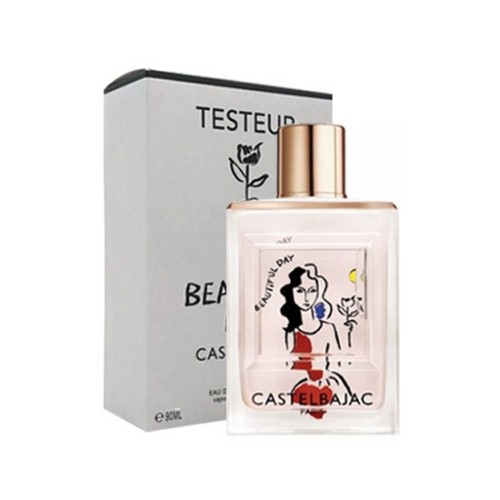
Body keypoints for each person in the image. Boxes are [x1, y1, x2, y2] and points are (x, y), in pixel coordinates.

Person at [280, 263, 351, 418]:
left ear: (319, 292)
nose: (306, 298)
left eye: (312, 290)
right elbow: (287, 366)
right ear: (291, 292)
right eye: (300, 291)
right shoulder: (291, 332)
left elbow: (338, 364)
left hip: (327, 385)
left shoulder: (329, 329)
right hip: (297, 385)